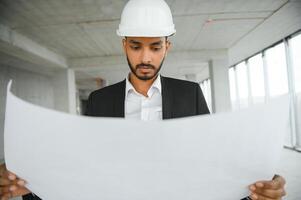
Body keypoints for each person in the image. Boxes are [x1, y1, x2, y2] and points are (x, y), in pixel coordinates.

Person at [0, 0, 286, 200]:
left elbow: (212, 158)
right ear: (124, 44)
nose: (146, 58)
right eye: (136, 46)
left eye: (155, 47)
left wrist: (257, 187)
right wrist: (31, 182)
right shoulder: (100, 100)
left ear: (167, 47)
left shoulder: (190, 94)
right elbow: (87, 166)